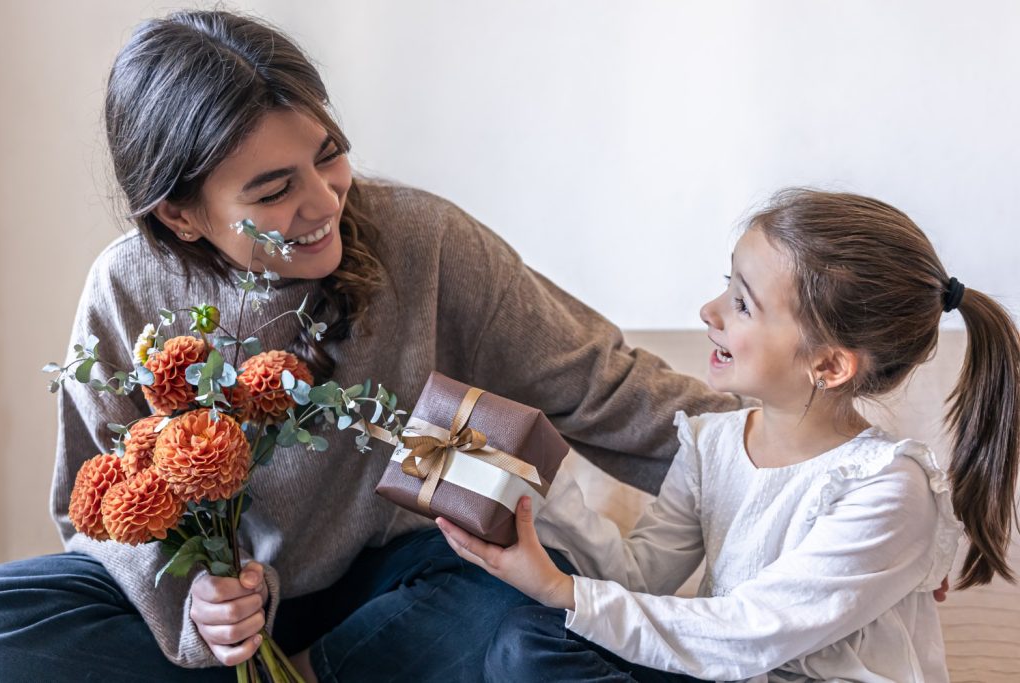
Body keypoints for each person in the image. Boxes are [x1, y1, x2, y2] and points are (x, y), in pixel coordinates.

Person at [0, 10, 745, 683]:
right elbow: (91, 504)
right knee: (13, 620)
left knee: (525, 619)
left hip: (398, 588)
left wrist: (796, 454)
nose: (325, 202)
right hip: (219, 621)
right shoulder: (126, 288)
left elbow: (603, 385)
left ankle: (321, 670)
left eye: (330, 154)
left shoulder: (424, 239)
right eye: (272, 190)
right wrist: (193, 601)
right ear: (183, 215)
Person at [437, 189, 1020, 682]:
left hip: (754, 661)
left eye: (742, 303)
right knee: (526, 640)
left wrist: (566, 592)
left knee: (551, 622)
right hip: (726, 669)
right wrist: (535, 488)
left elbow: (751, 633)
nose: (708, 311)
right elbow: (641, 579)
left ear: (830, 366)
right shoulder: (712, 443)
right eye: (726, 285)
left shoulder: (888, 490)